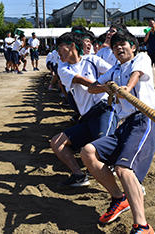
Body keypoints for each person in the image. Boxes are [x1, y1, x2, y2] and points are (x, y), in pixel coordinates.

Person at [83, 29, 155, 234]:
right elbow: (92, 88)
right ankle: (119, 197)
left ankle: (142, 225)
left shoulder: (141, 57)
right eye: (115, 45)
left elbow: (137, 74)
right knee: (88, 152)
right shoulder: (115, 69)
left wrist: (126, 88)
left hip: (144, 119)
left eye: (123, 43)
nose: (118, 47)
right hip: (124, 123)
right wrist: (108, 87)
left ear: (133, 47)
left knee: (124, 169)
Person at [50, 32, 118, 187]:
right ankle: (79, 175)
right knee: (56, 143)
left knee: (104, 148)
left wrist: (113, 85)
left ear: (72, 46)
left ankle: (132, 182)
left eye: (61, 48)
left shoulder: (92, 60)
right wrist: (103, 87)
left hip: (104, 110)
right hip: (87, 117)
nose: (58, 53)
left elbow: (112, 72)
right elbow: (80, 80)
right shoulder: (63, 67)